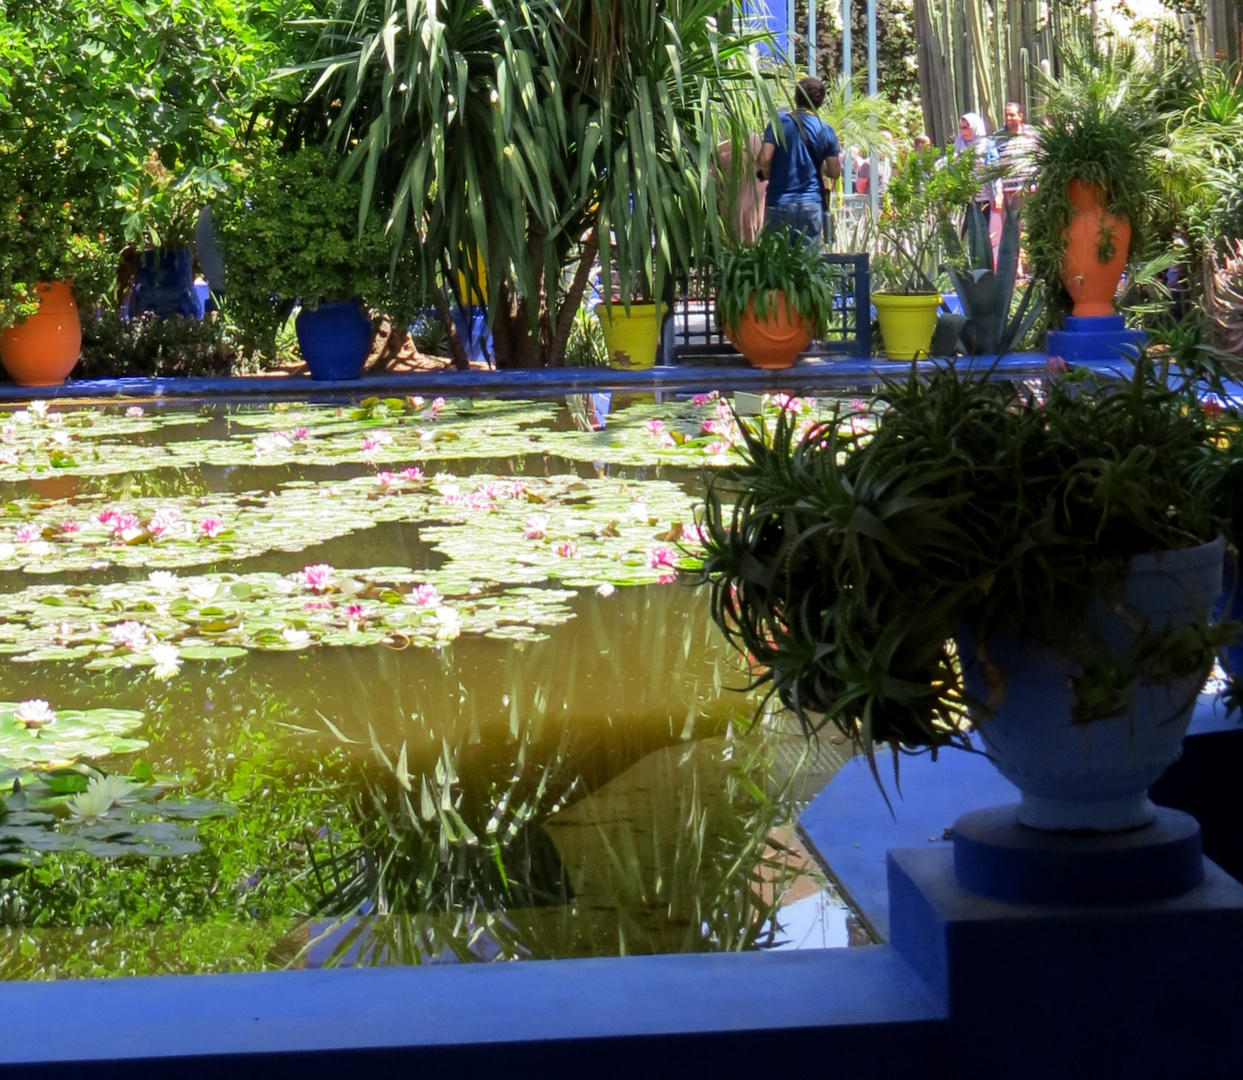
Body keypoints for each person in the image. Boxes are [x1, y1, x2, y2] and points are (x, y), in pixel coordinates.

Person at [757, 77, 842, 245]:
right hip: (811, 205)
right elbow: (834, 172)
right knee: (808, 264)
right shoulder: (825, 130)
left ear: (795, 98)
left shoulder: (779, 123)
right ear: (820, 102)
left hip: (779, 202)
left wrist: (768, 168)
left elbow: (763, 158)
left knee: (776, 262)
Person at [953, 112, 1001, 227]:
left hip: (984, 198)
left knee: (983, 234)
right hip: (965, 200)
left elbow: (996, 170)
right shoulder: (959, 145)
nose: (963, 132)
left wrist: (998, 193)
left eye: (966, 127)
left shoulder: (987, 145)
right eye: (961, 128)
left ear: (975, 127)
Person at [997, 101, 1038, 216]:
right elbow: (995, 164)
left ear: (1020, 116)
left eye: (1012, 115)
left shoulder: (1033, 134)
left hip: (1030, 191)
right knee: (1013, 229)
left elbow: (1042, 157)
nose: (1008, 118)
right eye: (1006, 115)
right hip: (1009, 194)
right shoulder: (998, 137)